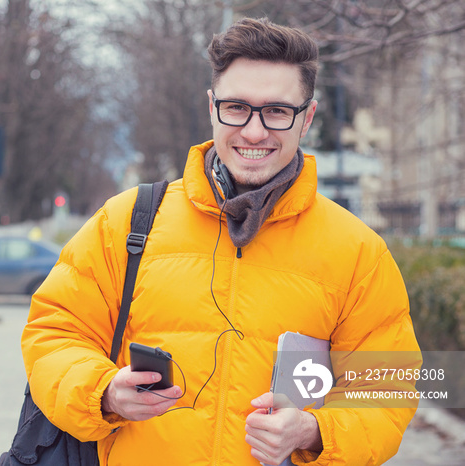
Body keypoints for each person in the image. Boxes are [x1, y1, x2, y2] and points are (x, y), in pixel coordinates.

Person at [22, 17, 420, 465]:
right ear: (212, 107)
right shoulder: (127, 222)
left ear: (306, 118)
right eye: (236, 108)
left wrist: (314, 431)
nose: (253, 131)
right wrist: (104, 392)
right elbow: (55, 334)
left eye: (277, 111)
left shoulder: (358, 252)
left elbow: (389, 389)